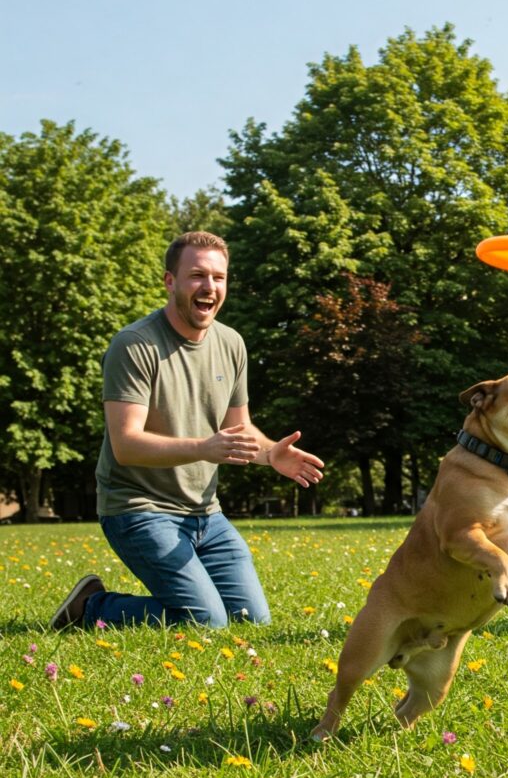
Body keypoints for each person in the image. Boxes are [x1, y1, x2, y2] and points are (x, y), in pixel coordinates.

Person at [51, 231, 325, 631]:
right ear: (170, 281)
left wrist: (269, 455)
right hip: (138, 510)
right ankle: (92, 607)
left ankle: (110, 605)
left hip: (205, 514)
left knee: (251, 621)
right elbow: (126, 445)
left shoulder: (231, 343)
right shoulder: (134, 345)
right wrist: (203, 447)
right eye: (197, 275)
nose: (209, 287)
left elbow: (239, 428)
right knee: (205, 622)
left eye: (219, 277)